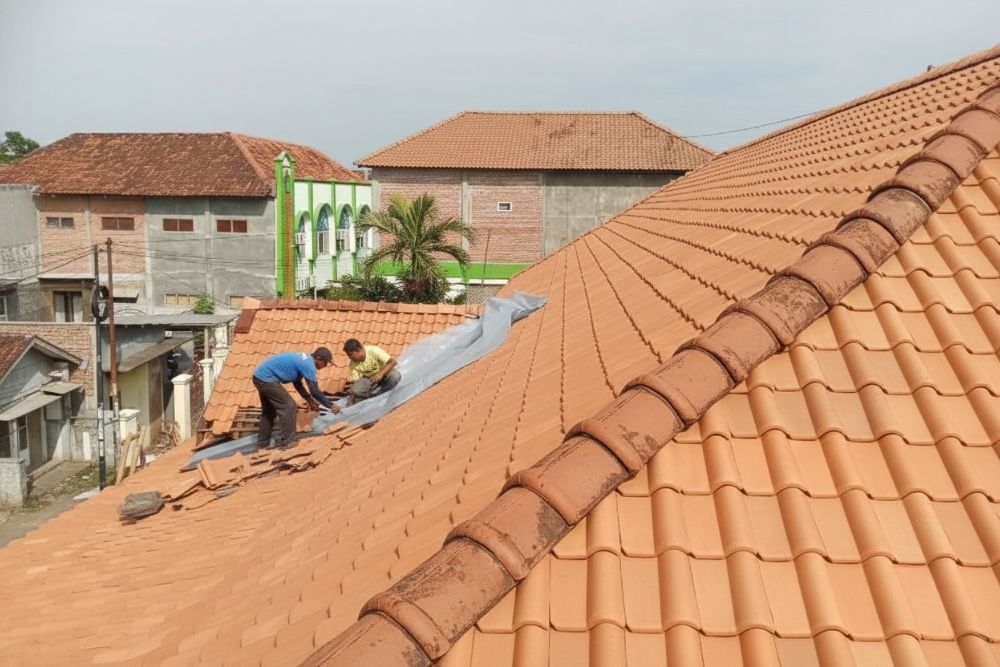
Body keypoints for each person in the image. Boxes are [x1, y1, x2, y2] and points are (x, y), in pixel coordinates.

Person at [252, 347, 339, 448]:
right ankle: (289, 442)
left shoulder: (305, 359)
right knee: (289, 406)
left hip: (259, 376)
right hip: (267, 379)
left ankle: (263, 443)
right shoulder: (309, 365)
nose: (324, 366)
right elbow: (315, 391)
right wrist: (331, 405)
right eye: (325, 363)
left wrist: (310, 401)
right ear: (319, 359)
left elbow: (298, 384)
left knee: (269, 411)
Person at [343, 338, 401, 404]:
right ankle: (375, 396)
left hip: (385, 374)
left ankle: (384, 391)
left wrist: (381, 374)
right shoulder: (352, 364)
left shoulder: (374, 351)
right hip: (370, 380)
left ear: (358, 350)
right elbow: (357, 381)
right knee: (356, 390)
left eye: (350, 354)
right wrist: (352, 396)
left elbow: (393, 362)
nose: (349, 357)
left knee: (395, 376)